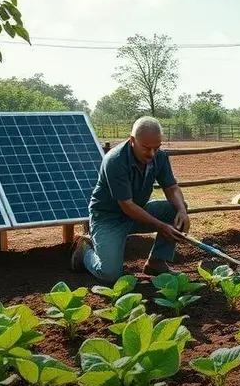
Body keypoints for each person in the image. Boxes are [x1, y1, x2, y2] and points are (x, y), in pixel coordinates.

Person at [71, 116, 189, 282]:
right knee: (110, 274)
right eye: (146, 148)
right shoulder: (115, 160)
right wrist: (161, 226)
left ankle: (156, 262)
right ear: (132, 140)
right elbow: (126, 205)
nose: (152, 153)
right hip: (109, 218)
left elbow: (171, 187)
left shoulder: (160, 157)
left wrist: (182, 211)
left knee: (175, 209)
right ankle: (84, 252)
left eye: (156, 148)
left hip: (137, 213)